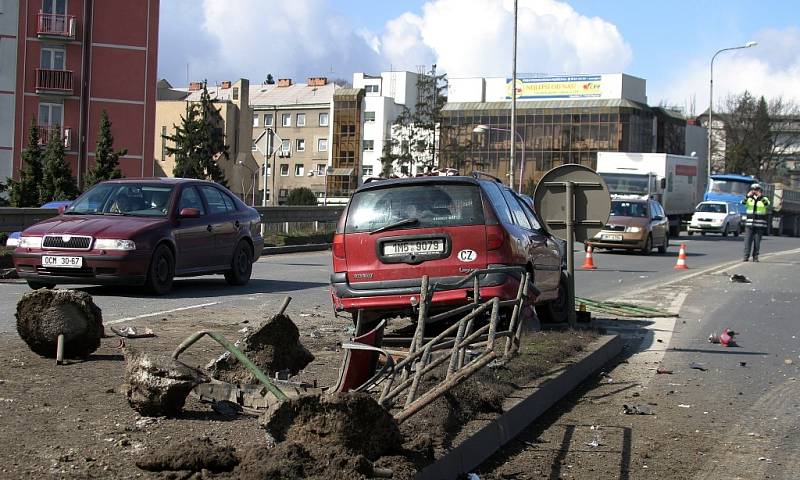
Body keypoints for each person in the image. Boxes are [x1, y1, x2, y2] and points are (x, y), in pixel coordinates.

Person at [742, 183, 770, 262]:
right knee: (747, 241)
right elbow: (743, 203)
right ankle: (745, 256)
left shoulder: (764, 199)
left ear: (760, 190)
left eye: (756, 190)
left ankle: (755, 256)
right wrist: (747, 196)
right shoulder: (749, 199)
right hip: (749, 224)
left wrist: (760, 196)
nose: (755, 191)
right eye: (753, 190)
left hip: (759, 225)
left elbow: (767, 204)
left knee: (757, 242)